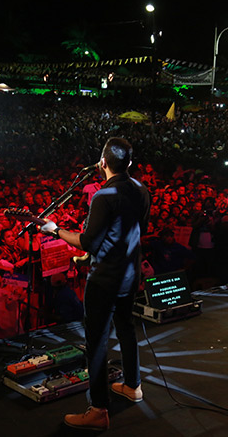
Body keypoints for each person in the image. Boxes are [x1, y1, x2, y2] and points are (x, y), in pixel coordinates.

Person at [40, 137, 150, 431]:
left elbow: (88, 240)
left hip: (104, 280)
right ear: (129, 163)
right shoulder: (142, 189)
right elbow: (129, 233)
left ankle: (98, 409)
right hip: (130, 274)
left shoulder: (104, 194)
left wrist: (56, 230)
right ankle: (133, 386)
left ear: (102, 163)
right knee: (126, 327)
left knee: (96, 342)